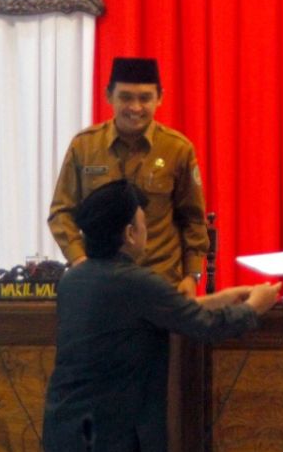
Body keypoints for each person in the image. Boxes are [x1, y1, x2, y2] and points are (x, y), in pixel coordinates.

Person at [42, 180, 281, 452]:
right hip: (111, 446)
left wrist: (217, 299)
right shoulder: (138, 283)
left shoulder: (74, 280)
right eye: (143, 222)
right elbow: (201, 328)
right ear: (129, 233)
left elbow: (151, 315)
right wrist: (253, 308)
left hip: (63, 436)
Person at [49, 57, 207, 297]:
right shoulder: (85, 146)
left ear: (160, 98)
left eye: (145, 98)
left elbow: (193, 219)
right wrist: (79, 259)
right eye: (125, 97)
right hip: (99, 284)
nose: (135, 107)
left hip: (161, 282)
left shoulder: (178, 149)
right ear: (108, 96)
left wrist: (191, 276)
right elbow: (61, 212)